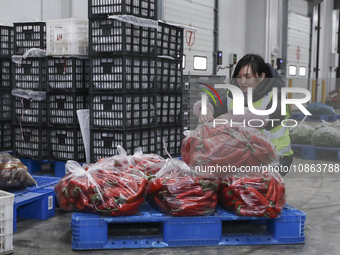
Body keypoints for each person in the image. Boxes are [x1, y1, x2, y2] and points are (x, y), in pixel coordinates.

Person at [193, 54, 293, 176]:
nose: (242, 81)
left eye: (248, 77)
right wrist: (206, 109)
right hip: (245, 155)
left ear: (262, 77)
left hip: (275, 156)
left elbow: (271, 118)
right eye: (239, 77)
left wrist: (233, 118)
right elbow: (216, 104)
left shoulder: (277, 94)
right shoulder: (234, 93)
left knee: (261, 191)